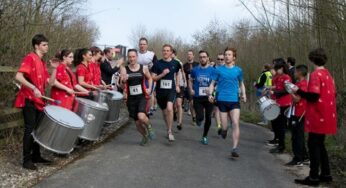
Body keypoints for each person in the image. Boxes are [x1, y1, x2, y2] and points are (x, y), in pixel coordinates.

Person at [14, 34, 58, 170]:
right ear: (36, 46)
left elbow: (49, 83)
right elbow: (18, 76)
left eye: (47, 44)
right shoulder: (30, 58)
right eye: (44, 44)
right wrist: (33, 87)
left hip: (39, 101)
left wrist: (55, 68)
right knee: (30, 129)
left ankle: (36, 156)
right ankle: (26, 160)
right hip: (28, 100)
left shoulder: (42, 62)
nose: (47, 47)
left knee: (37, 129)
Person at [294, 48, 337, 186]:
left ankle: (313, 177)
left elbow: (313, 96)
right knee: (320, 145)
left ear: (312, 59)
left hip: (317, 115)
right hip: (328, 114)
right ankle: (326, 174)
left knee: (313, 145)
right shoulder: (328, 74)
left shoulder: (315, 74)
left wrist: (299, 91)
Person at [209, 47, 246, 157]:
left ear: (234, 57)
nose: (226, 56)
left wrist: (244, 94)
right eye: (226, 54)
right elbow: (212, 84)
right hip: (222, 100)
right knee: (224, 126)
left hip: (234, 100)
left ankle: (235, 148)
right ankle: (224, 130)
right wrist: (211, 94)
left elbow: (241, 83)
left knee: (235, 122)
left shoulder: (238, 70)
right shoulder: (218, 70)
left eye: (229, 54)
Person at [120, 49, 155, 146]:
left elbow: (150, 78)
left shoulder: (143, 68)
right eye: (130, 57)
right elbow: (121, 85)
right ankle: (145, 136)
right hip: (131, 99)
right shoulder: (124, 69)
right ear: (128, 58)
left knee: (141, 116)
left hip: (142, 96)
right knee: (138, 124)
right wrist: (123, 81)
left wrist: (149, 88)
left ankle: (149, 127)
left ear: (137, 57)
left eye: (133, 56)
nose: (131, 59)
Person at [151, 44, 182, 142]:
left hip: (171, 90)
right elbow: (153, 78)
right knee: (164, 113)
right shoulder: (157, 64)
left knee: (169, 108)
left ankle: (169, 131)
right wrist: (162, 74)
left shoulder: (176, 63)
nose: (165, 52)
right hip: (160, 92)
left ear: (171, 52)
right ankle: (168, 127)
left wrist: (177, 85)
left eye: (168, 50)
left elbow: (178, 74)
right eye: (164, 50)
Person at [189, 50, 216, 145]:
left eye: (204, 57)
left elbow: (215, 84)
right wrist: (191, 89)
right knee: (200, 117)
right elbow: (190, 81)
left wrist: (213, 94)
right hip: (198, 97)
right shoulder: (195, 70)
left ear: (208, 58)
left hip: (208, 98)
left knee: (208, 117)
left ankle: (204, 136)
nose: (202, 59)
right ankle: (198, 119)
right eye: (200, 57)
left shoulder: (213, 70)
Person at [285, 64, 309, 166]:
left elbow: (297, 99)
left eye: (295, 72)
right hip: (296, 112)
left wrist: (289, 90)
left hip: (299, 113)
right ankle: (304, 156)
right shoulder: (300, 84)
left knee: (297, 136)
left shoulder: (302, 85)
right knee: (297, 135)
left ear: (299, 72)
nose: (294, 74)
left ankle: (298, 159)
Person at [268, 59, 292, 154]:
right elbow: (277, 87)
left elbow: (287, 90)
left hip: (284, 104)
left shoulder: (286, 77)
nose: (276, 71)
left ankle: (282, 146)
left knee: (281, 125)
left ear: (282, 68)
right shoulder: (278, 77)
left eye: (277, 69)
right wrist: (271, 89)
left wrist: (275, 92)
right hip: (277, 103)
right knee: (276, 124)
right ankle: (279, 143)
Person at [137, 37, 158, 116]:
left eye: (144, 44)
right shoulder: (136, 54)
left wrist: (152, 72)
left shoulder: (152, 55)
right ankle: (141, 111)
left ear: (147, 45)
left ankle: (147, 111)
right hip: (139, 78)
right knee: (139, 95)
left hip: (149, 78)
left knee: (148, 95)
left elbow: (157, 66)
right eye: (141, 44)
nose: (142, 46)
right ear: (139, 45)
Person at [183, 50, 199, 124]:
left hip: (197, 85)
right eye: (188, 54)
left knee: (197, 102)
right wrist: (185, 83)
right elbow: (183, 75)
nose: (189, 55)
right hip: (189, 86)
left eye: (190, 54)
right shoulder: (184, 65)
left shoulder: (197, 64)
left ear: (193, 56)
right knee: (191, 102)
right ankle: (194, 117)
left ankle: (198, 115)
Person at [172, 49, 187, 130]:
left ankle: (179, 122)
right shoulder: (167, 62)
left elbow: (183, 72)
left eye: (172, 54)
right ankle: (174, 113)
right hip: (171, 85)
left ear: (174, 54)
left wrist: (185, 82)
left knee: (179, 104)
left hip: (179, 85)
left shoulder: (179, 62)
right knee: (173, 105)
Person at [212, 53, 225, 133]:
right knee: (216, 109)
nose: (220, 61)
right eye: (218, 59)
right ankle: (219, 126)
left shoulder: (227, 68)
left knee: (223, 110)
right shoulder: (214, 69)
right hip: (216, 91)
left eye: (221, 59)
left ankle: (224, 125)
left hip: (225, 92)